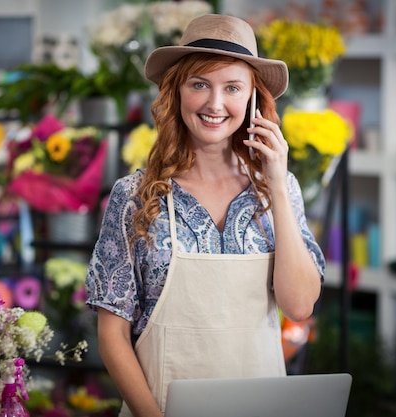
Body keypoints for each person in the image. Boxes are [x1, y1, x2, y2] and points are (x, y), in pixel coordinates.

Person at [85, 13, 325, 417]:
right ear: (176, 92)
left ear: (253, 98)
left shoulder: (279, 191)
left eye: (232, 87)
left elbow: (299, 307)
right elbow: (112, 336)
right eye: (200, 85)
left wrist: (278, 185)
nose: (215, 104)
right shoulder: (134, 196)